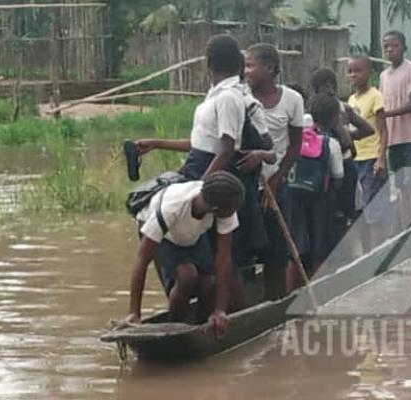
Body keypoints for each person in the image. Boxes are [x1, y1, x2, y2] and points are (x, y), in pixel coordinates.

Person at [131, 34, 273, 307]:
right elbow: (201, 144)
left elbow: (227, 148)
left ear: (209, 64)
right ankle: (198, 302)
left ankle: (233, 311)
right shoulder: (218, 95)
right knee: (202, 253)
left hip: (211, 176)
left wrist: (202, 184)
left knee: (222, 255)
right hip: (201, 171)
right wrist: (158, 144)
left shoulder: (229, 97)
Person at [126, 172, 245, 339]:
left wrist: (220, 310)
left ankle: (202, 326)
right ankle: (175, 328)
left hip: (191, 234)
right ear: (215, 209)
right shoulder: (172, 207)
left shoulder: (223, 206)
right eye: (231, 211)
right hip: (164, 235)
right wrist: (134, 313)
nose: (233, 213)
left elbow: (224, 258)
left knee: (207, 283)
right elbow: (142, 259)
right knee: (187, 276)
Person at [243, 43, 305, 300]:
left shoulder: (292, 99)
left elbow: (295, 145)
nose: (246, 71)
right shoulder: (240, 97)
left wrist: (277, 179)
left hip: (276, 185)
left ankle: (276, 303)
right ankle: (244, 304)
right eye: (244, 66)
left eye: (250, 66)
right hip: (245, 184)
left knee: (277, 252)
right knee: (244, 251)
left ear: (269, 68)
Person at [308, 68, 374, 252]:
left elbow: (346, 141)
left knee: (337, 211)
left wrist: (342, 141)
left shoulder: (322, 108)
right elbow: (367, 131)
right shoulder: (343, 107)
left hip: (327, 166)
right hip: (342, 164)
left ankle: (341, 253)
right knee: (350, 211)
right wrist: (348, 141)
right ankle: (361, 251)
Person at [287, 93, 344, 291]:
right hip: (320, 203)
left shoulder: (296, 139)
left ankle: (288, 297)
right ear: (336, 118)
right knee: (320, 249)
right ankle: (318, 295)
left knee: (295, 250)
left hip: (294, 201)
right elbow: (338, 177)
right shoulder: (331, 144)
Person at [380, 30, 411, 228]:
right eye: (386, 47)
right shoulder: (383, 76)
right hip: (393, 139)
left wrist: (386, 115)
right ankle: (406, 224)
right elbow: (381, 104)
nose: (390, 50)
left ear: (403, 47)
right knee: (400, 185)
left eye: (394, 45)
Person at [346, 54, 390, 252]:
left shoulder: (376, 96)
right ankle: (366, 253)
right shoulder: (351, 100)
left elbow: (383, 130)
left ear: (369, 73)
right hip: (356, 160)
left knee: (375, 210)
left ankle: (378, 253)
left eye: (358, 70)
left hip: (372, 158)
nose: (353, 75)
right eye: (350, 71)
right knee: (360, 210)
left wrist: (381, 158)